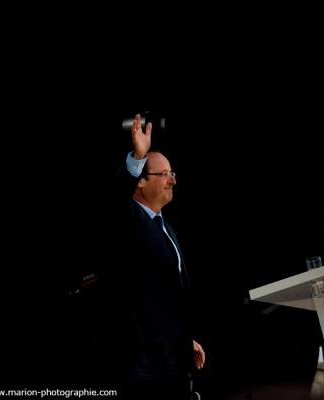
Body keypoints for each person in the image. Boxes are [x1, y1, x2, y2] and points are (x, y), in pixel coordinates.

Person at [92, 114, 205, 399]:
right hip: (141, 368)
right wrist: (137, 157)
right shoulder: (126, 220)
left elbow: (168, 298)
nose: (172, 181)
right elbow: (115, 201)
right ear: (140, 182)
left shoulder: (163, 226)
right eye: (165, 174)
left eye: (173, 173)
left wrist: (185, 340)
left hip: (170, 360)